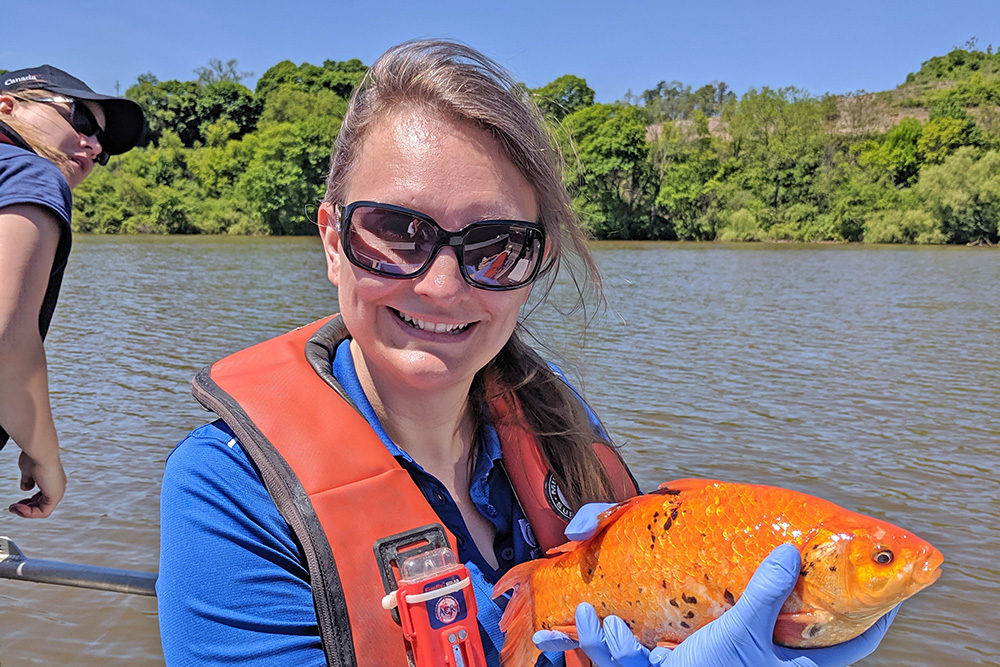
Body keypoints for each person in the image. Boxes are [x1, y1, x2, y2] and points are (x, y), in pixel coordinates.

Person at [157, 40, 898, 667]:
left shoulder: (553, 418)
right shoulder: (232, 492)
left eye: (496, 245)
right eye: (396, 231)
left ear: (532, 268)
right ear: (332, 240)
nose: (443, 284)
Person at [0, 65, 143, 518]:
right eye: (81, 120)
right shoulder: (32, 171)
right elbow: (6, 338)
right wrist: (45, 455)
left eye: (101, 146)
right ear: (7, 107)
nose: (94, 145)